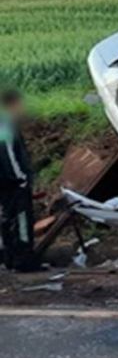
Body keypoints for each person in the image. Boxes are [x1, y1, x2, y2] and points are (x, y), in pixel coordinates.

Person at [0, 90, 38, 273]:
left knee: (6, 219)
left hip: (4, 183)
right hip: (12, 182)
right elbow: (8, 153)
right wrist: (21, 177)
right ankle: (24, 260)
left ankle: (10, 258)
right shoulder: (5, 124)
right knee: (22, 219)